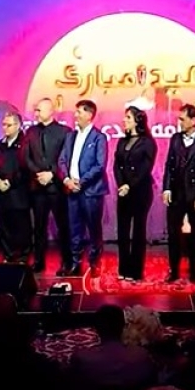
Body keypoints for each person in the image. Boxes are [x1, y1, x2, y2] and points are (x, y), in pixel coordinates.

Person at [162, 104, 195, 283]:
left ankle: (194, 270)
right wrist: (167, 188)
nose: (179, 122)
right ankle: (174, 270)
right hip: (176, 195)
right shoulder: (175, 139)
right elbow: (169, 165)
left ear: (193, 120)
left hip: (194, 196)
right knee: (173, 233)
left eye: (182, 119)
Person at [57, 100, 108, 276]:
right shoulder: (70, 136)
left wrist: (81, 182)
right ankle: (75, 263)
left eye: (79, 112)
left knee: (93, 228)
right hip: (71, 190)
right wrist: (67, 180)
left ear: (89, 115)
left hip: (91, 191)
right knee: (74, 228)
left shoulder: (99, 137)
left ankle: (94, 262)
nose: (75, 115)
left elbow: (99, 165)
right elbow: (62, 160)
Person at [24, 98, 73, 275]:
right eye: (35, 110)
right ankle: (38, 261)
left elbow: (65, 157)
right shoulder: (31, 131)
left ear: (51, 111)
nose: (36, 113)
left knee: (63, 226)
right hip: (37, 186)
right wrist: (38, 173)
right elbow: (26, 157)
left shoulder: (64, 132)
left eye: (39, 110)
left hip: (57, 187)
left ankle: (67, 261)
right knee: (38, 227)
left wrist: (51, 173)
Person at [113, 107, 158, 281]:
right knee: (123, 231)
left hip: (140, 191)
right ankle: (123, 268)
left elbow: (145, 169)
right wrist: (121, 184)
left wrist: (129, 185)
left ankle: (136, 271)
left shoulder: (147, 142)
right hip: (123, 192)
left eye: (128, 117)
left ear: (137, 121)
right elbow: (116, 165)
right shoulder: (122, 141)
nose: (124, 120)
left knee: (138, 231)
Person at [0, 111, 31, 263]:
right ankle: (7, 255)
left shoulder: (25, 144)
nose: (5, 128)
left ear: (18, 125)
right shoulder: (0, 145)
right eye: (3, 125)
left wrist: (9, 182)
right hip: (2, 194)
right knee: (4, 226)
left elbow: (25, 168)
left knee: (21, 226)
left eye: (9, 125)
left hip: (19, 193)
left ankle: (22, 256)